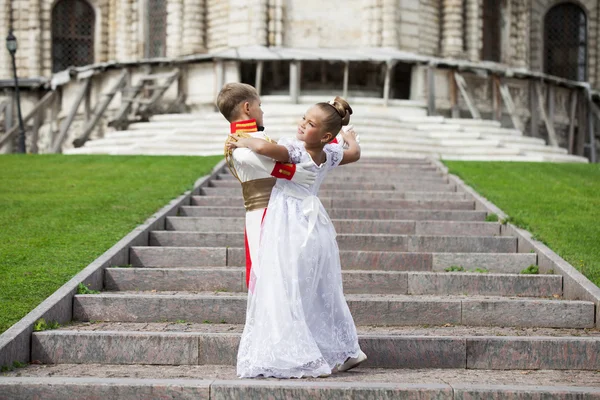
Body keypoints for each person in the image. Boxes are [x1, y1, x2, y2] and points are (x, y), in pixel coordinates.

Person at [227, 96, 368, 379]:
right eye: (304, 118)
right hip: (315, 227)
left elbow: (268, 148)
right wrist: (349, 137)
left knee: (286, 282)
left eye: (310, 123)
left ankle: (298, 350)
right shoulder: (328, 154)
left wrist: (243, 141)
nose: (302, 124)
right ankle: (347, 349)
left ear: (326, 135)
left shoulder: (295, 150)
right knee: (320, 287)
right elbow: (354, 153)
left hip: (288, 223)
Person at [217, 83, 317, 289]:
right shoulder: (238, 140)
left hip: (285, 208)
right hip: (262, 211)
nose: (262, 111)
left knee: (287, 268)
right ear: (247, 108)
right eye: (259, 105)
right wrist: (289, 173)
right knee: (267, 271)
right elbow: (244, 155)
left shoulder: (256, 138)